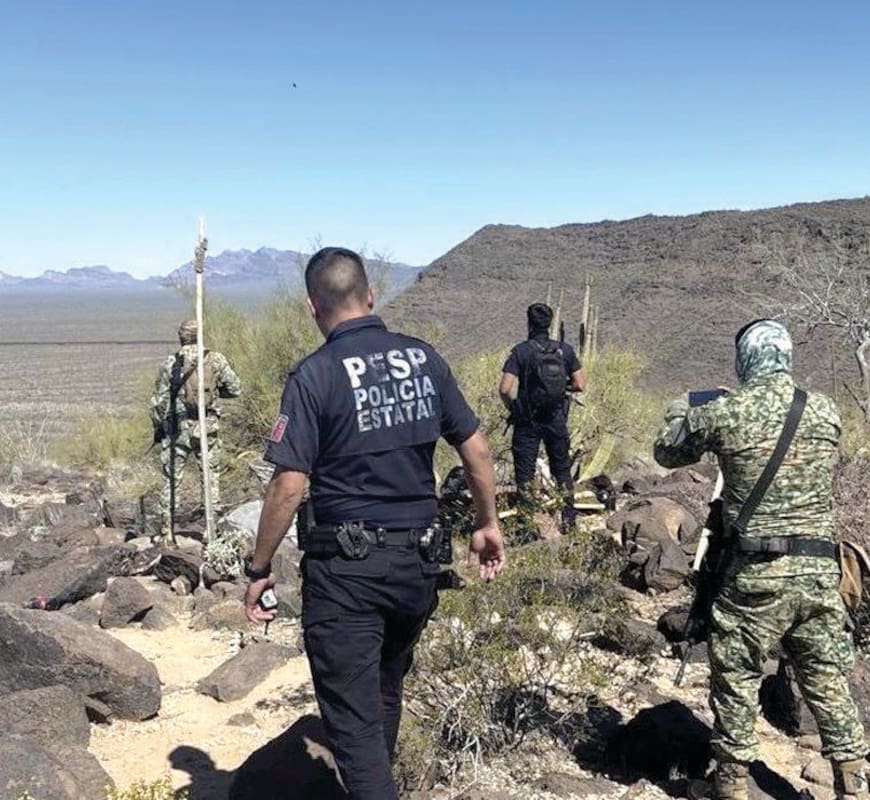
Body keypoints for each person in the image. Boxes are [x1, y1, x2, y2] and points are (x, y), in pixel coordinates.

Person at [242, 247, 506, 800]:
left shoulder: (314, 376)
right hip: (417, 568)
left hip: (348, 575)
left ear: (313, 306)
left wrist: (260, 566)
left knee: (355, 729)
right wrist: (487, 523)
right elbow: (476, 449)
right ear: (370, 295)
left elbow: (289, 485)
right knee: (384, 691)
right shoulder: (423, 359)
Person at [653, 319, 870, 800]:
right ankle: (853, 783)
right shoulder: (826, 411)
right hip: (818, 573)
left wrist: (686, 406)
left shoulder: (728, 412)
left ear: (744, 360)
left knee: (737, 675)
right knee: (826, 679)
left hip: (754, 574)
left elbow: (666, 451)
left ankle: (730, 785)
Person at [150, 319, 242, 540]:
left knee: (171, 480)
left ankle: (168, 532)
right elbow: (235, 389)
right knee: (210, 477)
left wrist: (159, 427)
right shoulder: (216, 359)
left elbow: (158, 402)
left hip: (177, 430)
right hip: (207, 428)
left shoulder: (171, 363)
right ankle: (212, 532)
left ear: (181, 337)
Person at [498, 302, 585, 529]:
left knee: (525, 474)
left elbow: (505, 388)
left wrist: (514, 408)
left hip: (527, 420)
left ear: (529, 322)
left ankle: (528, 526)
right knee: (562, 469)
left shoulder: (521, 351)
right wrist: (558, 389)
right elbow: (580, 384)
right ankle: (568, 521)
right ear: (550, 323)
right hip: (556, 418)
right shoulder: (564, 350)